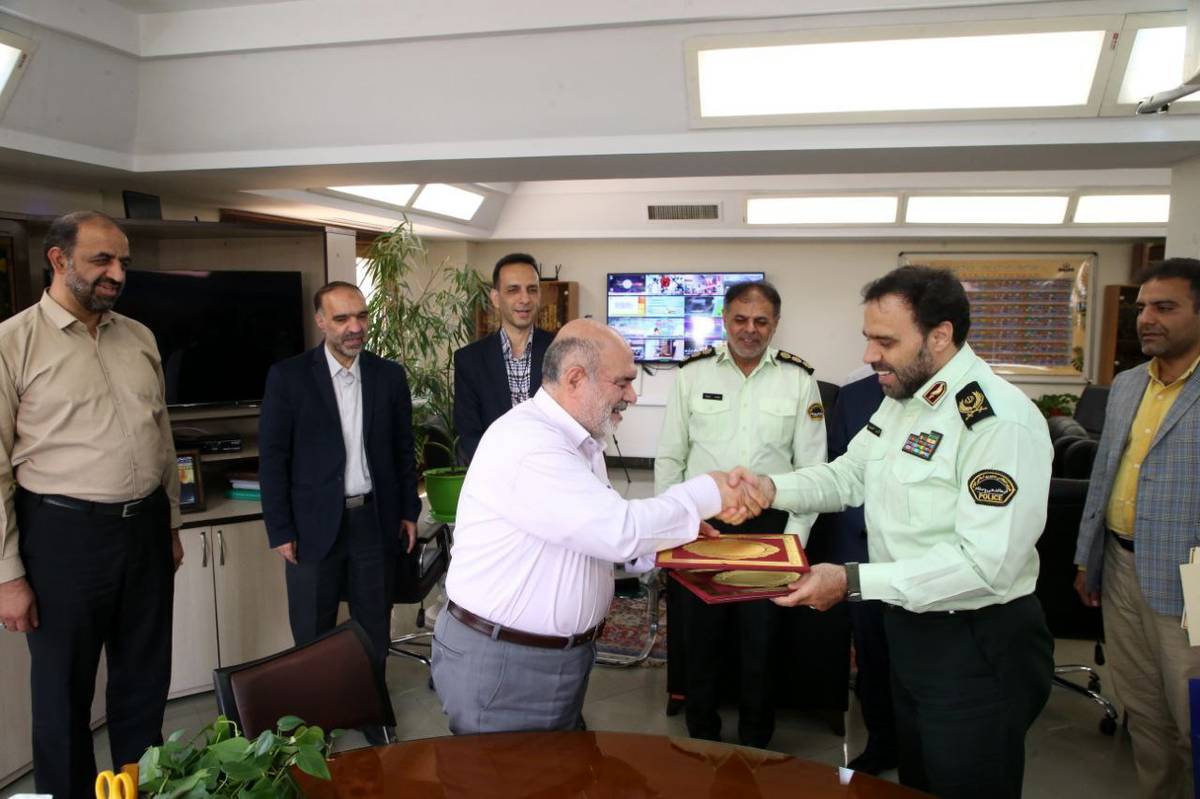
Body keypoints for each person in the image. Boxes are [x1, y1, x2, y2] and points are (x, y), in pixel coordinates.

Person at [731, 265, 1053, 798]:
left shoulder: (996, 421)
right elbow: (848, 475)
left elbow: (984, 566)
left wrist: (851, 581)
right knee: (918, 780)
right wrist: (769, 488)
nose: (869, 355)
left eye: (885, 342)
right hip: (909, 628)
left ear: (940, 335)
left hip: (974, 642)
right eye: (869, 338)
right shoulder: (906, 399)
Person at [432, 318, 756, 735]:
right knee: (504, 772)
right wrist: (710, 491)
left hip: (551, 659)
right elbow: (617, 531)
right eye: (622, 382)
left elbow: (591, 537)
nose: (632, 396)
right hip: (506, 665)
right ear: (575, 378)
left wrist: (672, 544)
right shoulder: (530, 443)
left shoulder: (579, 441)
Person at [0, 211, 183, 799]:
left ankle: (143, 791)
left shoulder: (140, 336)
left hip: (145, 530)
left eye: (123, 262)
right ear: (58, 260)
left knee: (144, 684)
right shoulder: (12, 343)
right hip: (62, 537)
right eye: (102, 260)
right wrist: (7, 575)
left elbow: (162, 437)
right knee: (62, 696)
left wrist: (170, 524)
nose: (117, 274)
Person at [655, 279, 826, 748]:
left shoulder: (798, 379)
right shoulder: (692, 375)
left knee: (762, 643)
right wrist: (673, 527)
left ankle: (756, 741)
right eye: (740, 319)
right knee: (701, 639)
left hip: (771, 532)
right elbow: (670, 458)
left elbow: (813, 469)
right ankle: (701, 736)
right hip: (702, 528)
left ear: (775, 324)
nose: (750, 329)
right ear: (724, 319)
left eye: (761, 321)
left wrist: (795, 544)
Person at [259, 280, 421, 740]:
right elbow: (273, 459)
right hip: (312, 527)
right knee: (313, 630)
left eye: (361, 316)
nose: (355, 327)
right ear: (320, 322)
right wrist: (280, 529)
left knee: (372, 629)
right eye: (342, 318)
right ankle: (316, 724)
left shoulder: (389, 376)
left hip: (373, 520)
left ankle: (370, 713)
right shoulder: (288, 377)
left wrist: (409, 510)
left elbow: (402, 450)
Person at [1073, 258, 1200, 799]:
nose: (1146, 318)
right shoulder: (1127, 385)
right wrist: (1088, 557)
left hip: (1194, 578)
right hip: (1122, 566)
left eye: (1164, 307)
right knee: (1144, 712)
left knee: (1193, 716)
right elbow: (1104, 477)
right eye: (1143, 307)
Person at [825, 372, 896, 774]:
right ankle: (881, 742)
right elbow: (839, 469)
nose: (873, 354)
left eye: (885, 342)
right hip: (861, 550)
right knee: (872, 656)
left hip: (921, 567)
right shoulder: (853, 398)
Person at [453, 253, 554, 464]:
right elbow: (469, 434)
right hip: (495, 473)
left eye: (532, 289)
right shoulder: (470, 360)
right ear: (496, 298)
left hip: (552, 470)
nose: (525, 299)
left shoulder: (561, 351)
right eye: (513, 290)